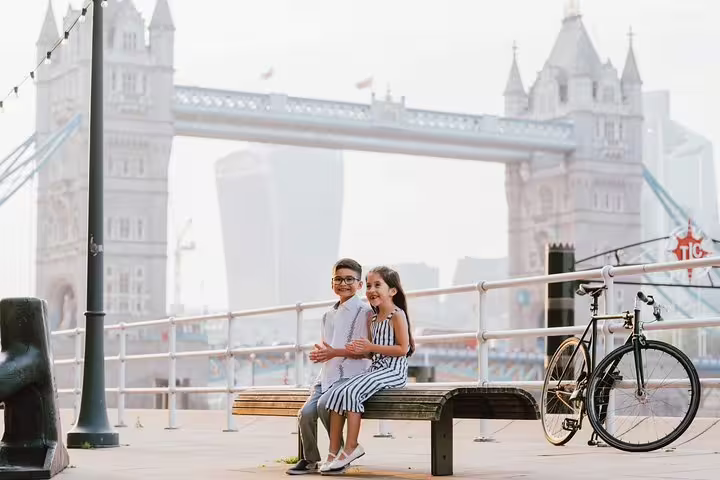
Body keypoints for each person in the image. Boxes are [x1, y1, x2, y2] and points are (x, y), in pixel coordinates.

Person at [320, 266, 415, 474]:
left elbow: (402, 349)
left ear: (392, 291)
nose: (371, 290)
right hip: (377, 368)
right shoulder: (372, 319)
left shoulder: (396, 315)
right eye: (369, 285)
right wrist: (360, 350)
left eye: (377, 285)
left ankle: (352, 446)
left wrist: (370, 347)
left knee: (352, 391)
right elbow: (371, 353)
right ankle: (332, 451)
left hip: (393, 371)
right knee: (336, 392)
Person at [286, 258, 373, 475]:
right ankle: (310, 459)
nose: (343, 283)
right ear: (332, 283)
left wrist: (334, 353)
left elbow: (370, 351)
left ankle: (340, 455)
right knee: (305, 414)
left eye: (349, 279)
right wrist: (322, 355)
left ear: (359, 284)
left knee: (326, 406)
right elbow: (329, 348)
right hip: (325, 376)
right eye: (338, 279)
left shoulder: (366, 312)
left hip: (350, 376)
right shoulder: (328, 315)